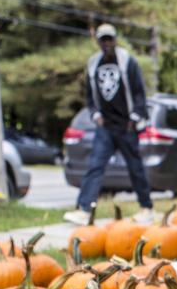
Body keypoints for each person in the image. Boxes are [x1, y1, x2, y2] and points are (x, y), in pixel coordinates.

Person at [64, 23, 155, 225]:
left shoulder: (127, 61)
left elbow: (139, 92)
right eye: (102, 40)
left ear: (115, 40)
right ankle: (84, 209)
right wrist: (96, 115)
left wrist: (135, 118)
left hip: (126, 126)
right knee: (94, 166)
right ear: (98, 42)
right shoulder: (93, 64)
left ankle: (146, 207)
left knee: (135, 167)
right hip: (105, 126)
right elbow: (89, 96)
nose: (106, 44)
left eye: (109, 39)